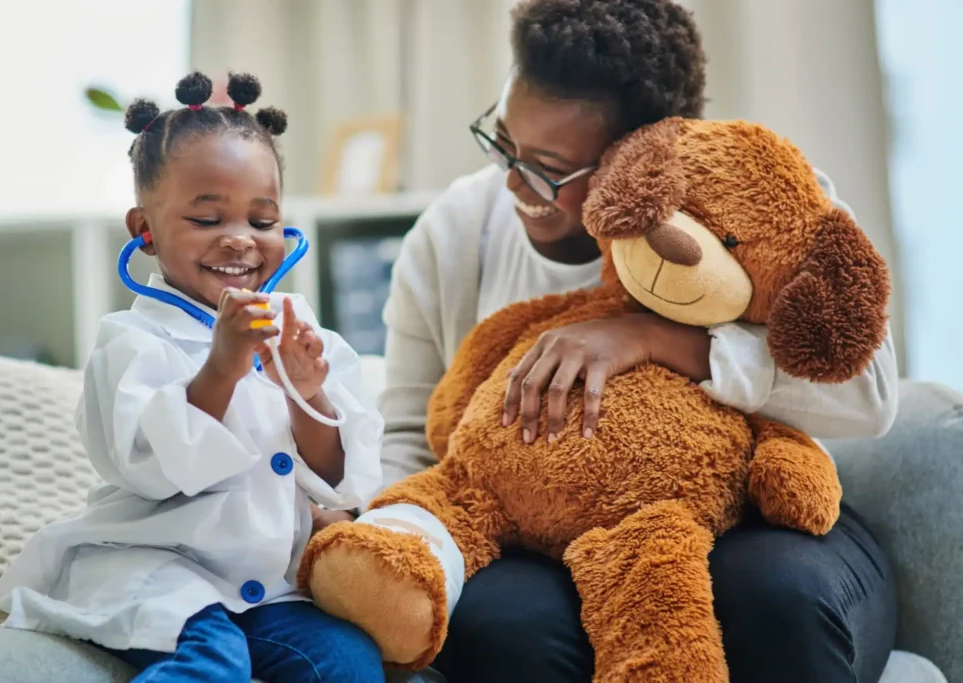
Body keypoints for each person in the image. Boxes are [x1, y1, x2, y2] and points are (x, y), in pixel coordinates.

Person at [316, 1, 899, 682]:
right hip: (540, 531)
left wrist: (658, 337)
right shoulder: (455, 234)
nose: (512, 181)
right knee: (508, 632)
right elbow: (414, 430)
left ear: (642, 151)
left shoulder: (757, 195)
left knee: (777, 598)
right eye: (504, 140)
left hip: (751, 510)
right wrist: (385, 523)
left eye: (548, 167)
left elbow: (872, 394)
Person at [0, 72, 385, 683]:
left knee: (347, 663)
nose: (239, 238)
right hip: (158, 575)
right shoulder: (130, 342)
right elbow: (154, 467)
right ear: (143, 230)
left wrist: (306, 395)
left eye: (262, 219)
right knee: (212, 664)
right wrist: (222, 369)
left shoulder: (302, 330)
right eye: (206, 219)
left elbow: (339, 482)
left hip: (269, 591)